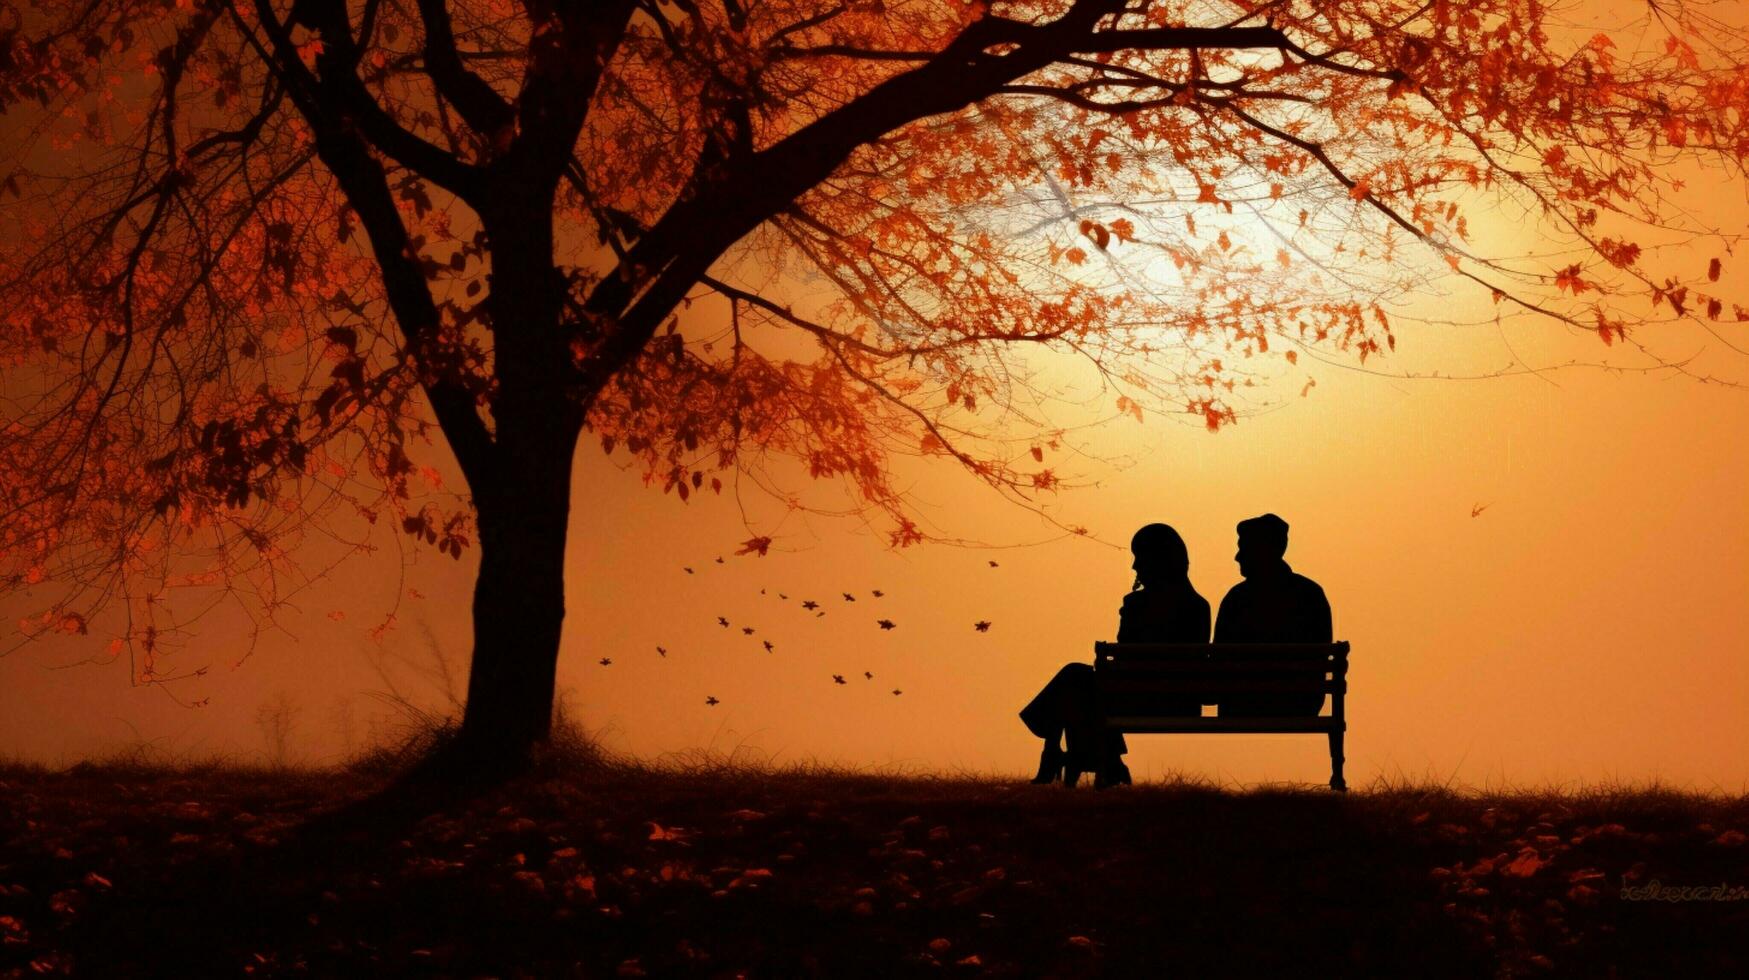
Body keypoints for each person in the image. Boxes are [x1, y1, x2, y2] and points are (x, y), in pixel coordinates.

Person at [1019, 523, 1210, 788]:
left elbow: (1125, 662)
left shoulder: (1136, 604)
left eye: (1139, 557)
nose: (1134, 566)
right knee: (1082, 687)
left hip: (1132, 699)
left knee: (1077, 680)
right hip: (1179, 703)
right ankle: (1107, 762)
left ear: (1156, 561)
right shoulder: (1198, 606)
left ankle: (1058, 752)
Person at [1212, 514, 1332, 717]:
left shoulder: (1237, 599)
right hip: (1300, 705)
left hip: (1243, 706)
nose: (1237, 556)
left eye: (1243, 548)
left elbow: (1217, 664)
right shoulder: (1311, 594)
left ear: (1262, 551)